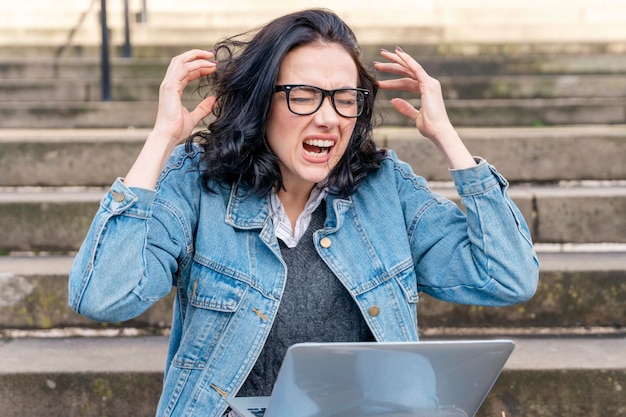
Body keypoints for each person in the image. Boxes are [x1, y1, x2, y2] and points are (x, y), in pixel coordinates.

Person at [68, 8, 539, 417]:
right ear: (261, 101)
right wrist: (161, 139)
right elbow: (104, 296)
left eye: (344, 98)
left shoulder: (385, 188)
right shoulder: (197, 183)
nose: (329, 118)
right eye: (303, 95)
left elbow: (508, 277)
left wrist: (447, 138)